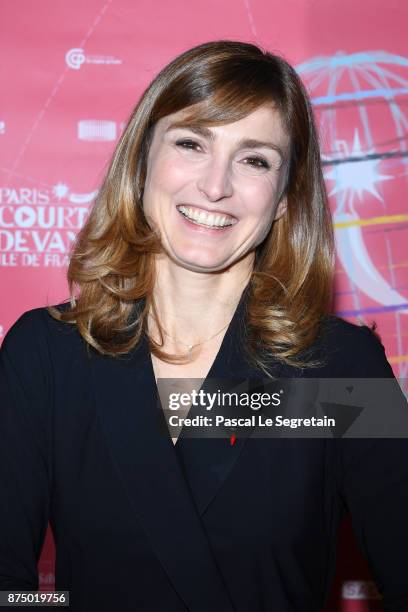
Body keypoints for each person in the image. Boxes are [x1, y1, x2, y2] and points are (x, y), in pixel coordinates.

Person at [0, 40, 407, 612]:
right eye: (192, 143)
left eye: (255, 159)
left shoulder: (344, 370)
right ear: (142, 159)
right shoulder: (45, 356)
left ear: (286, 199)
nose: (216, 185)